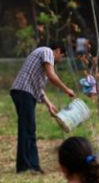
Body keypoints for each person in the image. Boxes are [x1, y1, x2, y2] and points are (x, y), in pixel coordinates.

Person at [10, 42, 76, 174]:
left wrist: (49, 104)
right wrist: (66, 89)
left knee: (28, 129)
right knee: (28, 129)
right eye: (61, 56)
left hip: (24, 92)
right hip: (24, 92)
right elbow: (52, 76)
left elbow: (38, 88)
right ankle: (27, 166)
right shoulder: (47, 52)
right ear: (57, 50)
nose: (59, 59)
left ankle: (29, 165)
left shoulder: (42, 61)